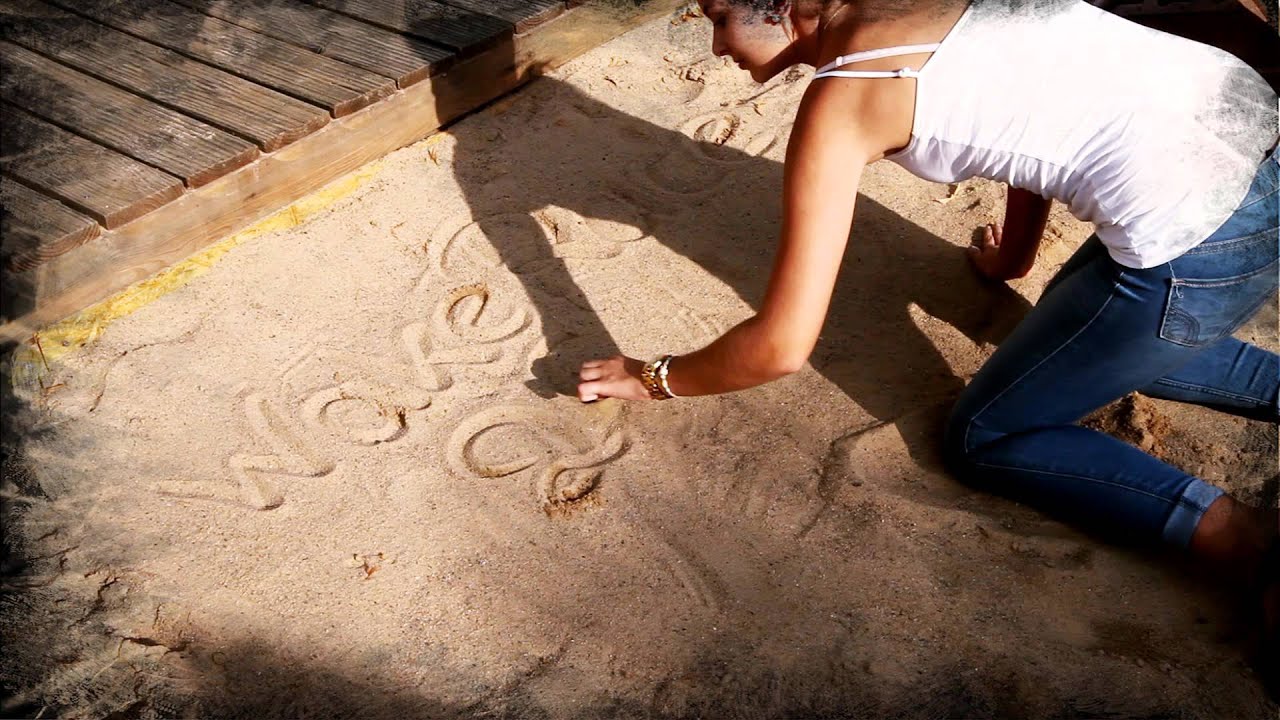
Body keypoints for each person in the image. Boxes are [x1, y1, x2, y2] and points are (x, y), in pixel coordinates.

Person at [575, 0, 1280, 694]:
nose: (717, 48)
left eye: (720, 17)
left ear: (785, 9)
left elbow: (780, 346)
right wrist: (1012, 264)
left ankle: (1245, 541)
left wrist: (655, 376)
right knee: (1097, 337)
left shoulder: (846, 99)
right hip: (1256, 139)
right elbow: (1032, 109)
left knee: (985, 434)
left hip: (1201, 240)